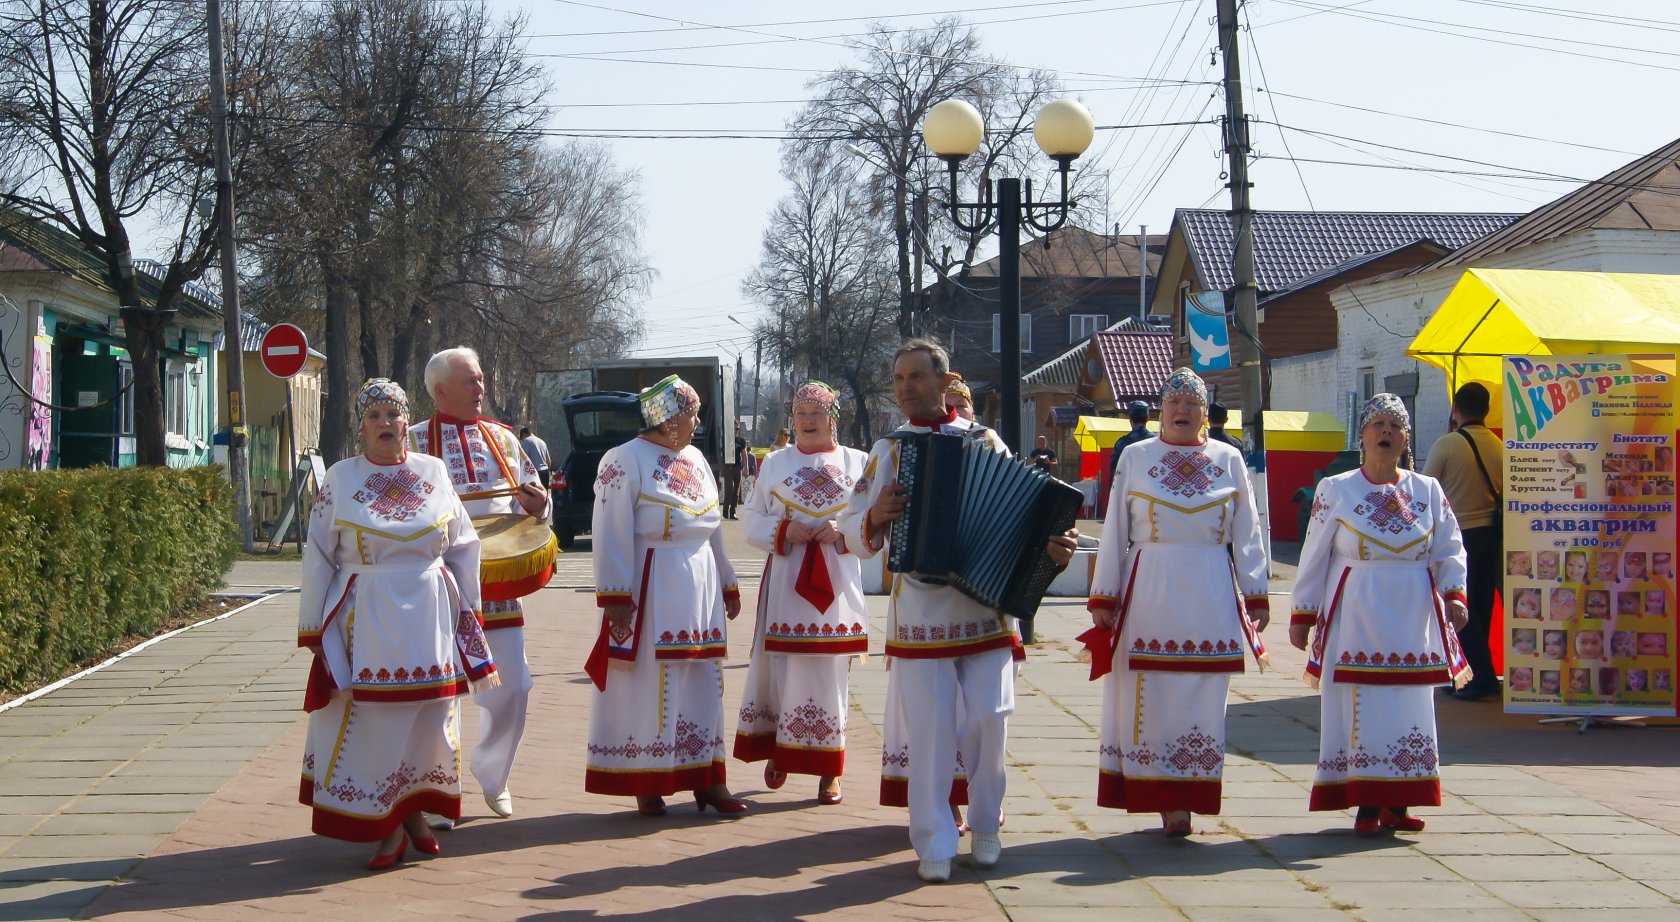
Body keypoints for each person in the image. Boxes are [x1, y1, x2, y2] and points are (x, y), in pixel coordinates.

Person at [837, 337, 1077, 883]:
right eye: (897, 379)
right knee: (929, 731)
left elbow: (1022, 513)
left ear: (944, 383)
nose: (904, 389)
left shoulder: (986, 440)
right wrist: (874, 516)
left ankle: (988, 821)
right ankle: (934, 840)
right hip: (919, 616)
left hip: (987, 611)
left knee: (990, 720)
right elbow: (848, 533)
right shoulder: (887, 451)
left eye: (914, 378)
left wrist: (1049, 550)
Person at [298, 378, 498, 870]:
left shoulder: (433, 470)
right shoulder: (340, 479)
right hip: (366, 615)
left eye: (394, 415)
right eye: (375, 417)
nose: (386, 425)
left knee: (429, 715)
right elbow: (318, 555)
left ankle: (413, 815)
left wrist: (467, 610)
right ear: (361, 428)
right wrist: (313, 628)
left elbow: (464, 543)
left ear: (407, 421)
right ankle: (386, 825)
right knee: (376, 718)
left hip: (429, 611)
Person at [1081, 367, 1270, 837]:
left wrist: (1256, 592)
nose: (1182, 411)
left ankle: (1190, 794)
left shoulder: (1229, 460)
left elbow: (1248, 531)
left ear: (1205, 414)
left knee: (1203, 695)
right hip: (1150, 591)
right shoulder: (1136, 458)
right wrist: (1105, 594)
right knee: (1153, 691)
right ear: (1160, 411)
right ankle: (1163, 799)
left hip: (1210, 590)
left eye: (1192, 404)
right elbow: (1115, 532)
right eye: (1174, 403)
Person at [1290, 393, 1470, 836]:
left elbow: (1449, 544)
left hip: (1413, 619)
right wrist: (1303, 611)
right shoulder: (1336, 489)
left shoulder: (1427, 490)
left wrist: (1455, 593)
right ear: (1362, 436)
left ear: (1407, 440)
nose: (1386, 432)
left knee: (1409, 706)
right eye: (1378, 425)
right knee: (1361, 705)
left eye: (1396, 426)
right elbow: (1314, 552)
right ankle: (1365, 802)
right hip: (1356, 616)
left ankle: (1399, 800)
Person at [584, 374, 746, 817]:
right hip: (650, 587)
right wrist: (615, 594)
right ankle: (647, 779)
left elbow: (712, 527)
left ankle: (708, 778)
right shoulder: (623, 460)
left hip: (701, 589)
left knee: (704, 680)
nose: (696, 423)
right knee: (652, 682)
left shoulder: (695, 458)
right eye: (691, 414)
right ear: (668, 418)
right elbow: (610, 531)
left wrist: (728, 582)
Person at [409, 347, 550, 825]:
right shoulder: (409, 445)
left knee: (515, 685)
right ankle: (436, 794)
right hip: (437, 585)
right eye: (469, 381)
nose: (480, 388)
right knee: (439, 691)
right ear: (439, 391)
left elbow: (535, 500)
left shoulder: (505, 440)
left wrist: (540, 505)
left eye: (481, 379)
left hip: (497, 582)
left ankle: (494, 773)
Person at [734, 381, 869, 806]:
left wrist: (843, 530)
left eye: (816, 414)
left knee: (832, 671)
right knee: (783, 666)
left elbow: (873, 524)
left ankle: (830, 769)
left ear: (833, 418)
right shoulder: (774, 463)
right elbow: (749, 518)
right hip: (788, 579)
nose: (808, 422)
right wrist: (783, 529)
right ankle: (782, 749)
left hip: (838, 582)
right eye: (800, 415)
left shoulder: (859, 462)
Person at [1422, 382, 1501, 702]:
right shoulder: (1498, 444)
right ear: (1486, 410)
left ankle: (1481, 675)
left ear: (1456, 408)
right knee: (1481, 605)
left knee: (1459, 607)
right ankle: (1470, 672)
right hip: (1492, 535)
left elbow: (1425, 489)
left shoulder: (1447, 445)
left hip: (1459, 536)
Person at [1104, 400, 1153, 498]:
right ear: (1148, 418)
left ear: (1130, 419)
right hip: (1152, 499)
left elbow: (1114, 475)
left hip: (1128, 496)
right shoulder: (1156, 442)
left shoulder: (1122, 444)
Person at [721, 426, 749, 520]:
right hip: (727, 466)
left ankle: (733, 512)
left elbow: (744, 454)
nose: (736, 431)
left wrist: (746, 467)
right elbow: (720, 453)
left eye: (737, 429)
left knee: (736, 490)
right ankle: (725, 510)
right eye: (734, 428)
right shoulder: (724, 439)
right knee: (730, 487)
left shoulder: (741, 440)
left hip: (737, 466)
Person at [519, 425, 552, 490]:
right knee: (544, 496)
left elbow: (522, 458)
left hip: (535, 474)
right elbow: (549, 461)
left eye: (522, 438)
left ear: (524, 434)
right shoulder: (542, 442)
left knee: (534, 497)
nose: (522, 440)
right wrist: (547, 471)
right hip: (545, 472)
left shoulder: (526, 441)